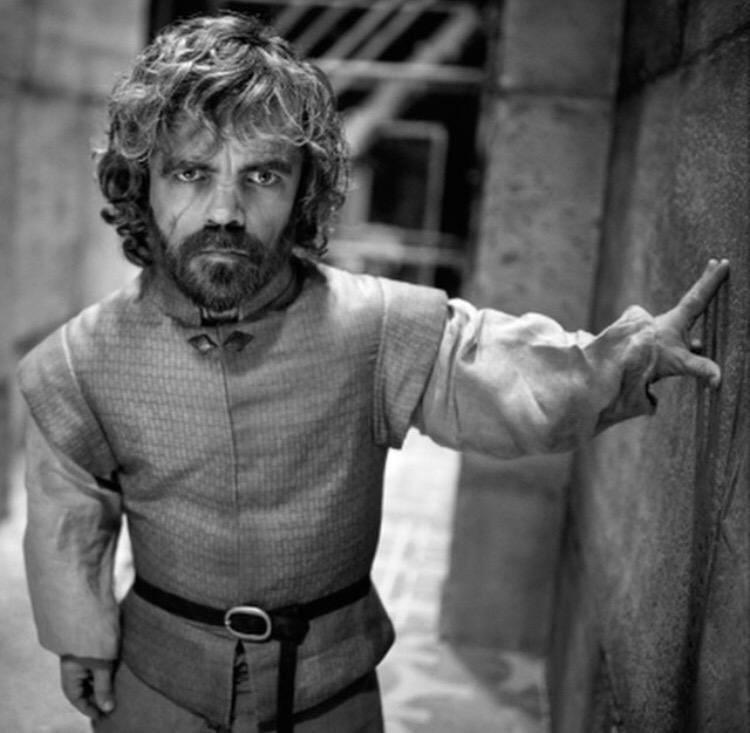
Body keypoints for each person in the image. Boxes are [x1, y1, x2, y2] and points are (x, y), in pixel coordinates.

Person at [17, 12, 729, 733]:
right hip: (158, 685)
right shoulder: (80, 360)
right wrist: (80, 634)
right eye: (190, 173)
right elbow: (67, 502)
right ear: (142, 183)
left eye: (262, 174)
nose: (225, 210)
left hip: (329, 691)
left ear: (304, 190)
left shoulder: (378, 327)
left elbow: (514, 378)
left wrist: (630, 356)